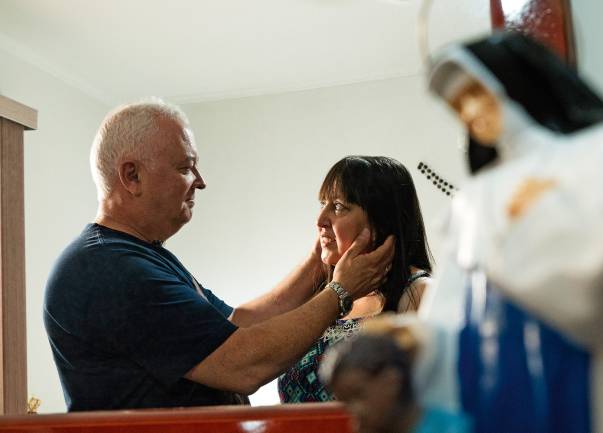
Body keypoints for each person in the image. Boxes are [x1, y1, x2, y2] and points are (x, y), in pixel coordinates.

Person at [43, 99, 395, 411]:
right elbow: (242, 365)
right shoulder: (111, 270)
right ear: (132, 176)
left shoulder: (145, 257)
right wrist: (340, 291)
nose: (199, 181)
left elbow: (237, 323)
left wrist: (317, 263)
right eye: (185, 167)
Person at [416, 32, 603, 433]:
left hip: (584, 367)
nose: (470, 111)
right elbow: (451, 308)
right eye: (457, 105)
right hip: (497, 375)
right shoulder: (472, 199)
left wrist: (504, 237)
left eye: (476, 92)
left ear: (512, 81)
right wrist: (411, 342)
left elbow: (601, 284)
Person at [278, 156, 434, 403]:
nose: (320, 220)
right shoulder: (321, 296)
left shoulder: (420, 294)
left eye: (339, 206)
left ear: (381, 220)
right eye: (322, 204)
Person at [319, 317, 471, 433]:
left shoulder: (453, 428)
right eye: (346, 404)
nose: (355, 415)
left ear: (392, 380)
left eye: (358, 395)